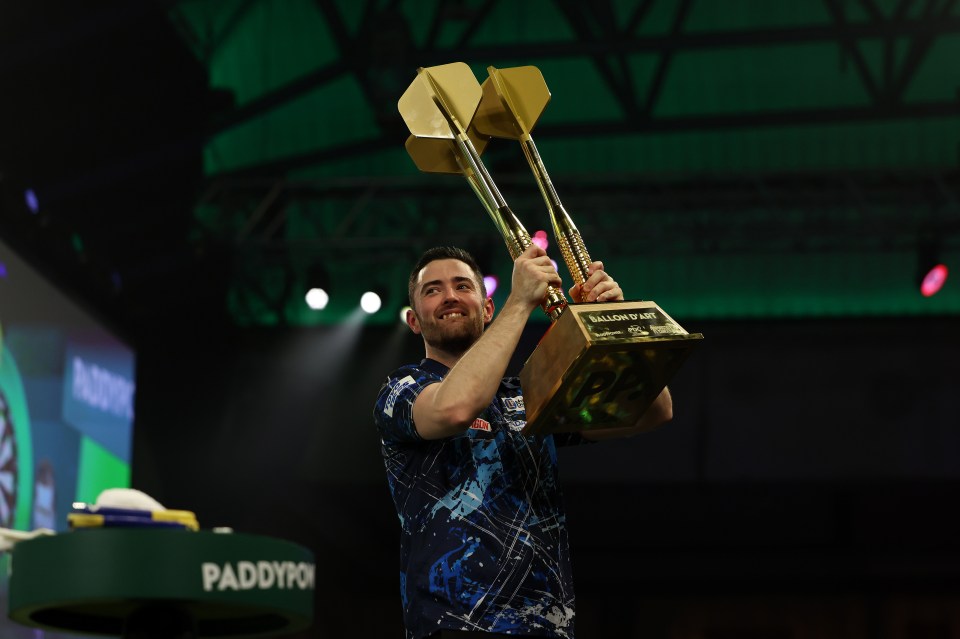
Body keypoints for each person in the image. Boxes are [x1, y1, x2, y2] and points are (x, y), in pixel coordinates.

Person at [373, 244, 673, 639]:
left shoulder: (526, 395)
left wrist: (609, 323)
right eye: (433, 290)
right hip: (455, 625)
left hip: (546, 626)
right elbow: (455, 409)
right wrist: (520, 302)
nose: (449, 296)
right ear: (414, 320)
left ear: (486, 310)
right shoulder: (402, 389)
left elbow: (651, 410)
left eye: (462, 285)